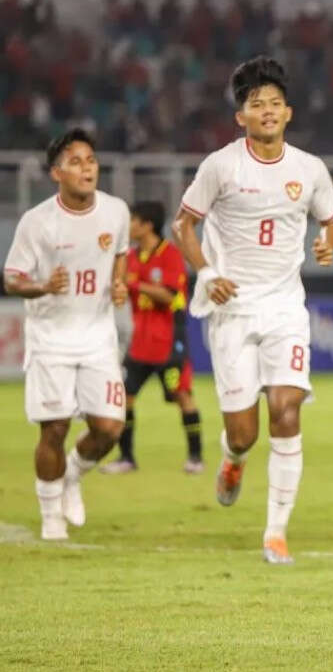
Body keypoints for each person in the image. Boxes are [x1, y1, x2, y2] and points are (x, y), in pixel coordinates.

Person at [172, 56, 333, 565]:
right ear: (240, 117)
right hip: (232, 309)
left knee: (286, 411)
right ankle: (232, 458)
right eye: (255, 104)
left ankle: (275, 533)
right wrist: (206, 273)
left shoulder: (309, 169)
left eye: (273, 103)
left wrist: (327, 243)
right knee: (245, 432)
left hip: (286, 307)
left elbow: (331, 220)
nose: (266, 111)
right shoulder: (221, 166)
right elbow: (183, 225)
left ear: (288, 112)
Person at [4, 129, 131, 541]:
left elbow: (121, 254)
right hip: (51, 337)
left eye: (90, 160)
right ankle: (50, 518)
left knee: (110, 428)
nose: (86, 168)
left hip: (97, 336)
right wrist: (43, 286)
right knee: (54, 428)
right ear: (57, 172)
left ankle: (72, 476)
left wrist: (119, 283)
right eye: (75, 162)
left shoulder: (116, 211)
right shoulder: (37, 222)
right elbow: (11, 279)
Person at [100, 200, 205, 475]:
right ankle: (126, 458)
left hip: (169, 342)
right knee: (125, 398)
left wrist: (132, 285)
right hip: (139, 343)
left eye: (133, 221)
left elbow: (169, 295)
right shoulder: (131, 257)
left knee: (182, 395)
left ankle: (195, 457)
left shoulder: (170, 254)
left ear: (146, 225)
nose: (130, 227)